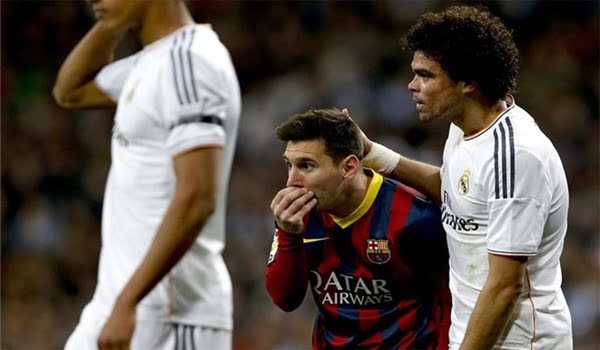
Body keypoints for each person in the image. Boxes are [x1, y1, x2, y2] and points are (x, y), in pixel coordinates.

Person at [349, 6, 572, 349]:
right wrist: (373, 154)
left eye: (426, 76)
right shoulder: (465, 128)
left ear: (468, 82)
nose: (412, 86)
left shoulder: (515, 157)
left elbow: (504, 286)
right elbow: (459, 194)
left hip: (519, 343)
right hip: (473, 337)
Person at [53, 0, 240, 349]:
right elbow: (70, 91)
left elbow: (198, 196)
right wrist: (112, 19)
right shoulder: (153, 62)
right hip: (120, 301)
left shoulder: (192, 63)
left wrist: (130, 302)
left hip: (171, 310)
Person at [265, 108, 451, 349]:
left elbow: (446, 302)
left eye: (307, 166)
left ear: (349, 168)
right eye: (289, 165)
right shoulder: (297, 216)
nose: (292, 181)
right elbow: (285, 300)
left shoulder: (414, 216)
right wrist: (288, 234)